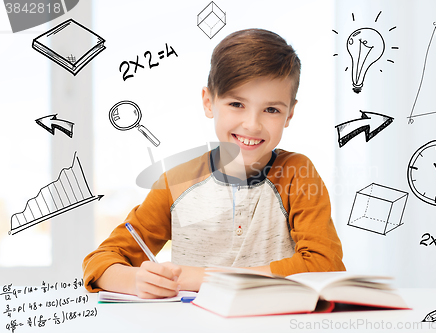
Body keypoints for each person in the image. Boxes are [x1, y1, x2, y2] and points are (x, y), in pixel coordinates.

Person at [83, 28, 345, 298]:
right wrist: (135, 280)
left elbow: (325, 265)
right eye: (236, 104)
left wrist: (201, 277)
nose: (252, 125)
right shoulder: (175, 183)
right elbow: (99, 262)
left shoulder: (297, 173)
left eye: (271, 110)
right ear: (209, 102)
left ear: (289, 114)